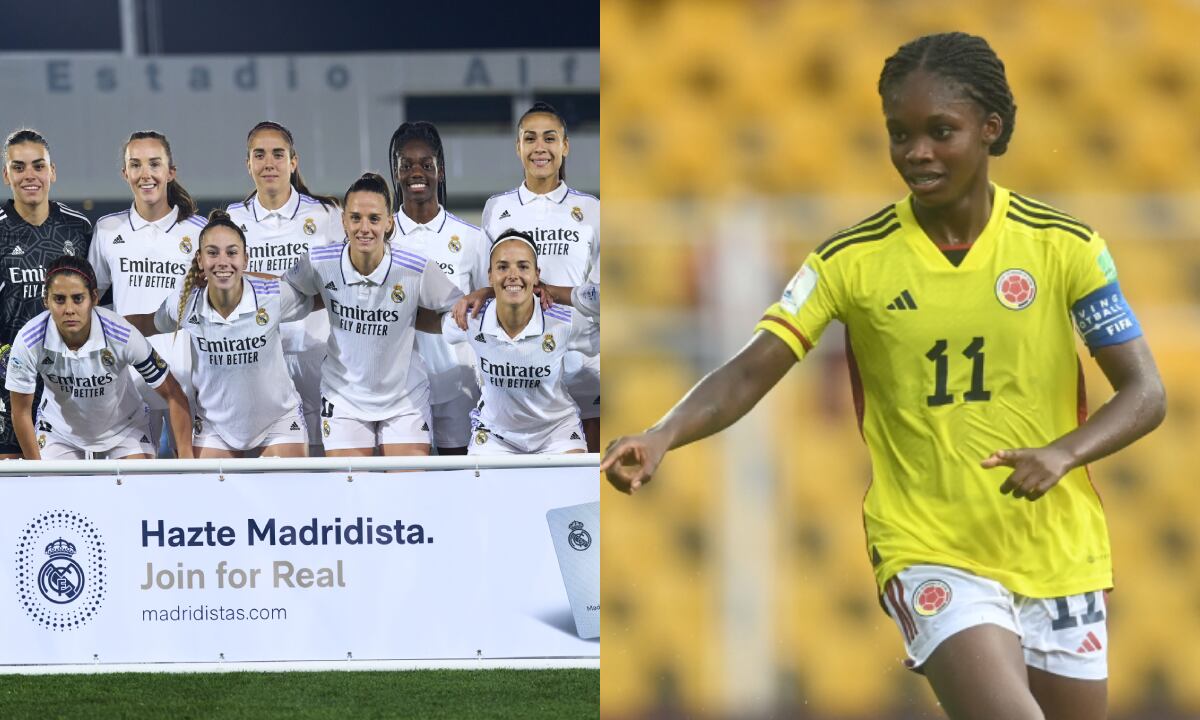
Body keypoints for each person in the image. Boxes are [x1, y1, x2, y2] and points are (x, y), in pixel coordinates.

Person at [601, 32, 1166, 720]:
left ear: (990, 129)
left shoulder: (1065, 247)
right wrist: (664, 433)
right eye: (900, 134)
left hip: (1060, 552)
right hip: (928, 549)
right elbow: (751, 370)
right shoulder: (851, 260)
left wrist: (1063, 452)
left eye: (940, 132)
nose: (916, 153)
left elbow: (1146, 393)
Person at [284, 172, 463, 458]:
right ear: (343, 221)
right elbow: (287, 289)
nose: (364, 228)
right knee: (352, 494)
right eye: (355, 218)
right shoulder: (319, 261)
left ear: (389, 222)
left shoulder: (415, 267)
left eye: (374, 219)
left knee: (407, 493)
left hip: (405, 397)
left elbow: (457, 308)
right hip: (343, 397)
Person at [126, 210, 314, 459]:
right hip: (215, 427)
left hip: (278, 421)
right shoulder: (184, 305)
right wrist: (98, 324)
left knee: (282, 494)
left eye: (232, 253)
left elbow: (324, 298)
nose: (222, 261)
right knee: (212, 497)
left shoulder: (273, 295)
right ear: (200, 260)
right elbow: (147, 323)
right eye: (213, 253)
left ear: (245, 259)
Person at [480, 102, 600, 450]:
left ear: (565, 146)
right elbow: (489, 284)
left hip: (583, 365)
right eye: (529, 139)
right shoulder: (497, 209)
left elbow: (605, 294)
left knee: (586, 490)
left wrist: (551, 291)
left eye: (550, 138)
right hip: (520, 371)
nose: (539, 148)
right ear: (518, 148)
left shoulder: (592, 210)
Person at [226, 121, 342, 456]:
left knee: (324, 460)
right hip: (256, 361)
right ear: (248, 164)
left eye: (278, 154)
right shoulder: (232, 219)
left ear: (293, 162)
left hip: (317, 356)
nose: (269, 163)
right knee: (267, 467)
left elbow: (341, 284)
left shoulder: (326, 214)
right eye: (259, 155)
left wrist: (283, 297)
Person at [89, 130, 205, 457]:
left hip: (189, 383)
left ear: (171, 172)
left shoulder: (197, 231)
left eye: (154, 164)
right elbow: (90, 303)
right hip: (129, 384)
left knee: (195, 487)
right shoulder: (108, 230)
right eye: (135, 165)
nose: (145, 174)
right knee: (136, 488)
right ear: (125, 173)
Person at [5, 256, 192, 460]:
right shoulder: (28, 340)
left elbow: (174, 394)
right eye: (59, 299)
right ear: (46, 301)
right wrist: (38, 469)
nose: (69, 309)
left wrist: (186, 458)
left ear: (94, 298)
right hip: (59, 432)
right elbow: (20, 412)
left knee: (138, 489)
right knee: (51, 489)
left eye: (78, 298)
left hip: (125, 429)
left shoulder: (123, 334)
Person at [441, 230, 596, 454]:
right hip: (496, 435)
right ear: (490, 275)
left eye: (523, 267)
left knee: (574, 487)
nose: (513, 275)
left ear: (536, 276)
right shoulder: (471, 318)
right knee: (479, 488)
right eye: (503, 267)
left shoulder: (563, 321)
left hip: (556, 432)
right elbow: (447, 330)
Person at [389, 121, 489, 454]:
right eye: (407, 165)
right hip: (396, 387)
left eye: (426, 165)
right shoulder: (381, 238)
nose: (416, 172)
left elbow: (485, 307)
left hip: (456, 382)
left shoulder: (472, 238)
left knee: (458, 482)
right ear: (397, 172)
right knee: (406, 485)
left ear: (440, 171)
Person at [0, 128, 93, 459]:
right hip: (7, 384)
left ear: (52, 172)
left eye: (38, 166)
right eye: (19, 167)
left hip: (68, 385)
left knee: (64, 489)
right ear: (6, 174)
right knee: (9, 486)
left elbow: (96, 309)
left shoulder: (78, 228)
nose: (30, 175)